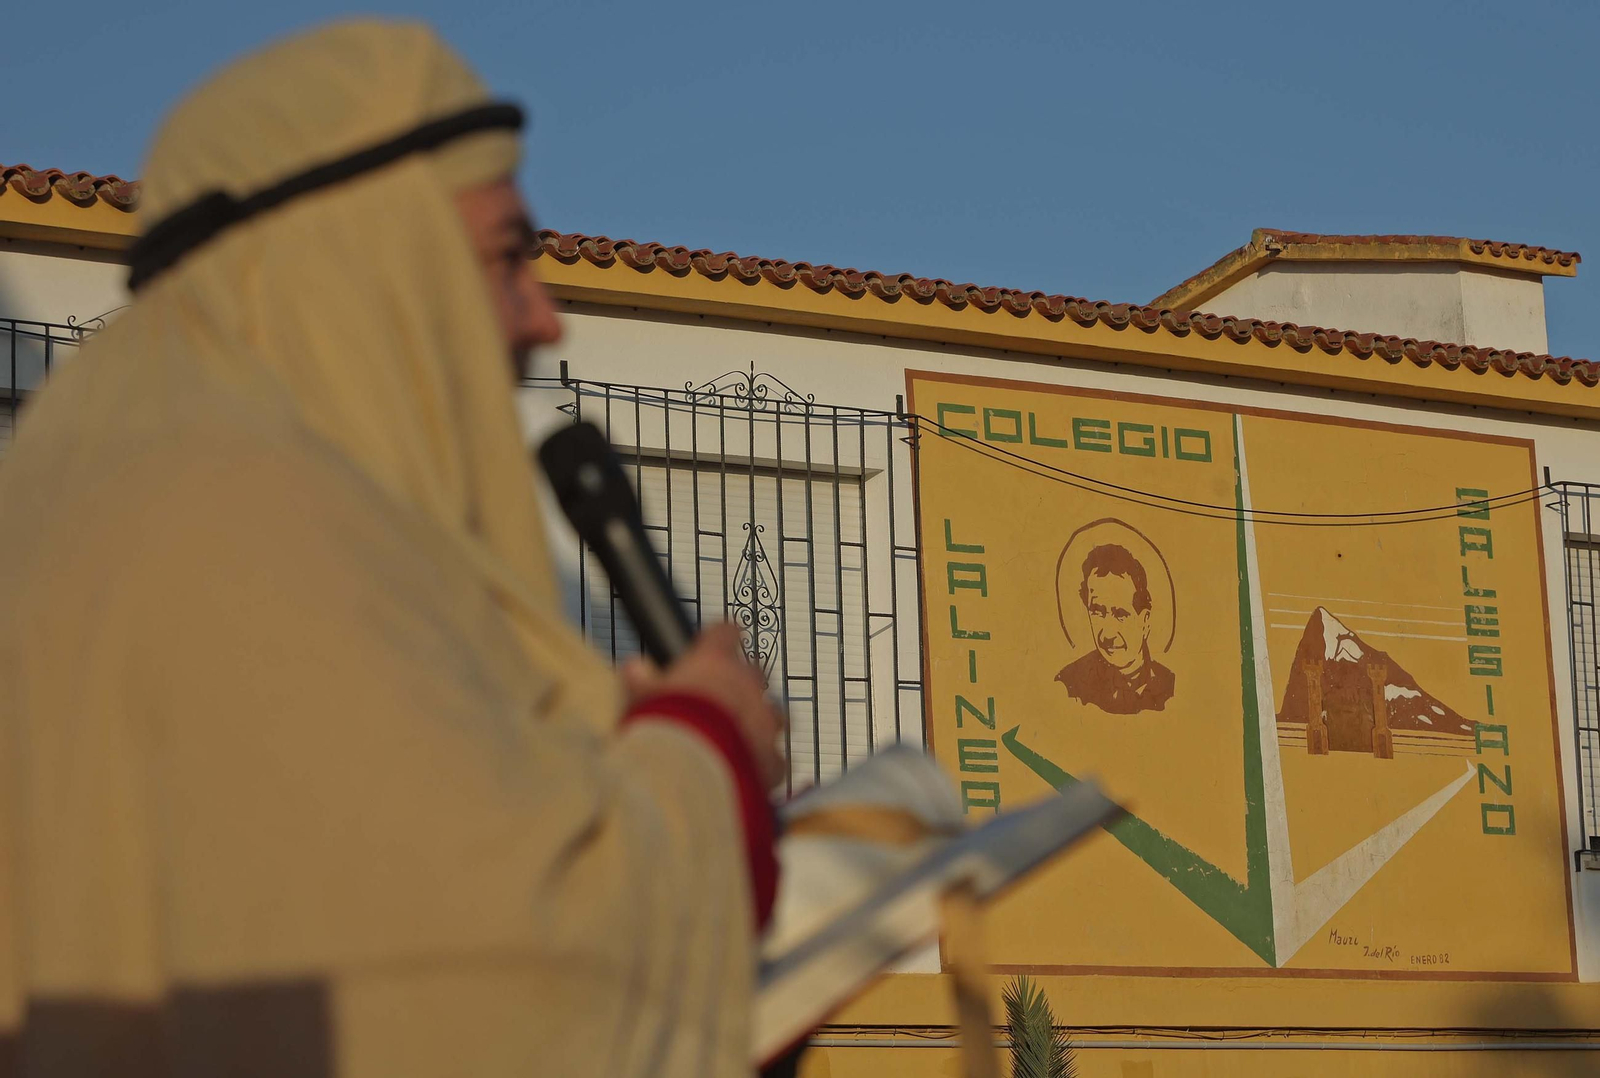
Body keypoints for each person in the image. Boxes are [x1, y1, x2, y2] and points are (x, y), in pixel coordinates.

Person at [0, 20, 784, 1078]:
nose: (545, 318)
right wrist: (702, 743)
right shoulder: (242, 514)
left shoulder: (107, 476)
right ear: (361, 261)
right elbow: (483, 983)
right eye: (508, 260)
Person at [1055, 543, 1175, 714]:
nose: (1107, 634)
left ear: (1145, 621)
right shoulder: (1070, 685)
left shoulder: (1170, 687)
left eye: (1121, 614)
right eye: (1097, 612)